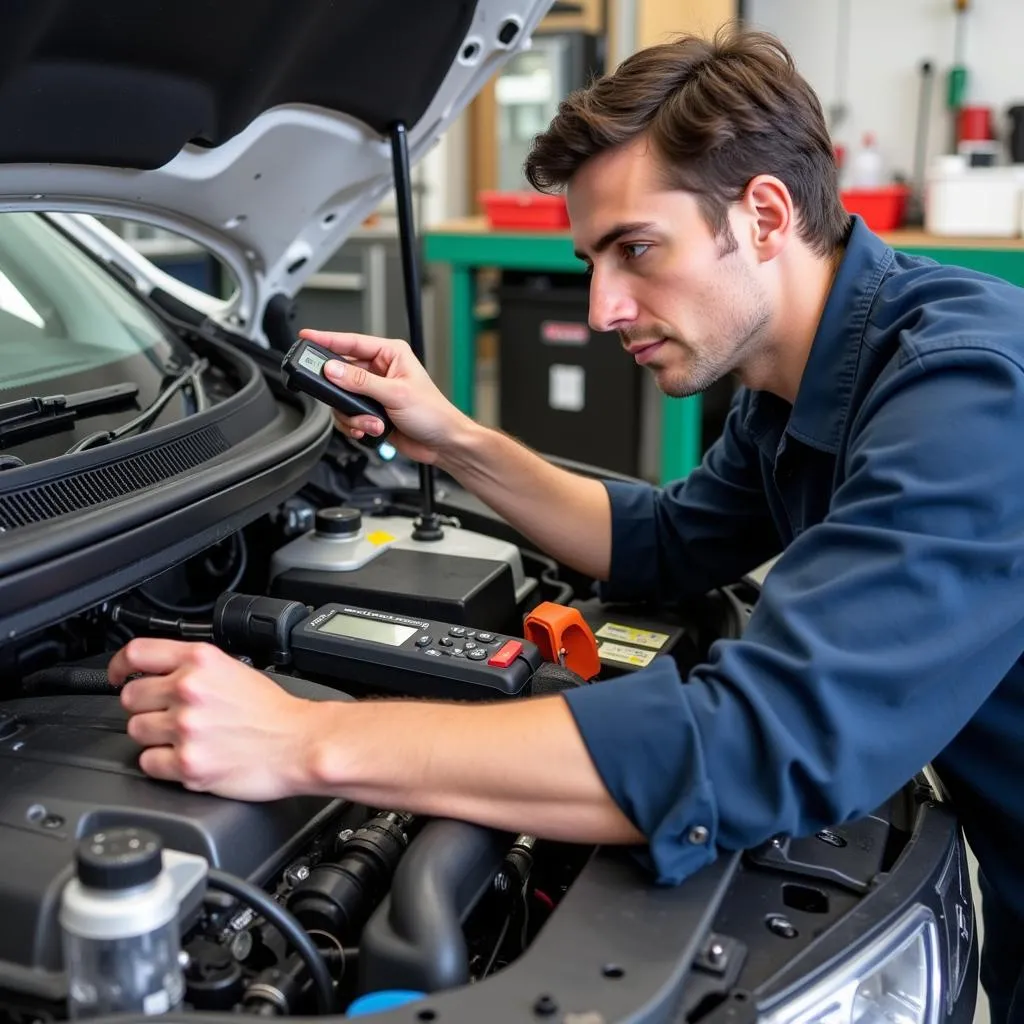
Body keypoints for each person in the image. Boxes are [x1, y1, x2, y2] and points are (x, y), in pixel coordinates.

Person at [108, 26, 1024, 1020]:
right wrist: (453, 439)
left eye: (635, 249)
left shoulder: (965, 396)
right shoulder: (794, 382)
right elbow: (665, 542)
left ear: (763, 214)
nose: (601, 306)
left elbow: (760, 741)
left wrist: (304, 739)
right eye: (593, 258)